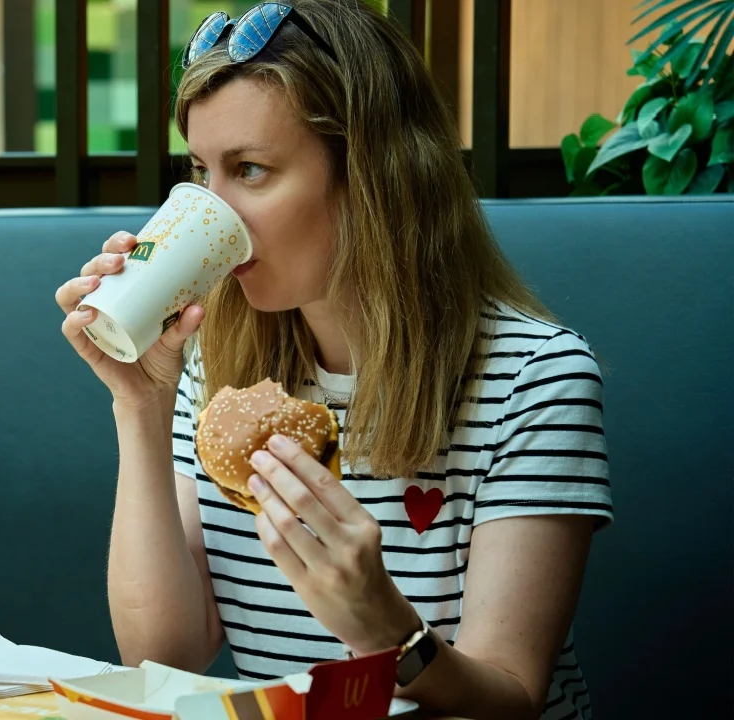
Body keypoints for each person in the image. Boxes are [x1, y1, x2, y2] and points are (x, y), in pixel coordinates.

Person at [53, 2, 612, 719]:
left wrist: (382, 623)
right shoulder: (219, 369)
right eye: (199, 169)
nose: (206, 208)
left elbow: (510, 695)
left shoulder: (535, 379)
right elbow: (163, 651)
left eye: (249, 169)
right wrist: (139, 404)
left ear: (374, 178)